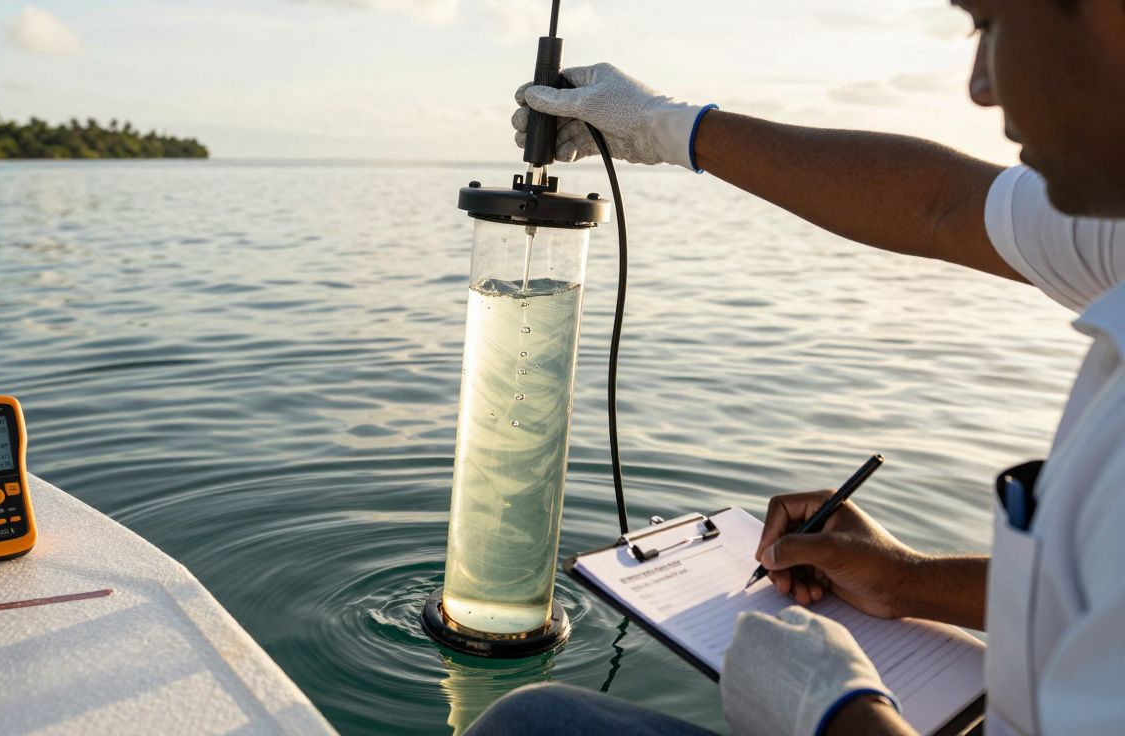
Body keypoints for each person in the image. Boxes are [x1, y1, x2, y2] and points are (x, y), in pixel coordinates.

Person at [466, 1, 1125, 735]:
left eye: (991, 24)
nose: (978, 85)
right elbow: (941, 205)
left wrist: (834, 714)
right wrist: (911, 581)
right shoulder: (1115, 230)